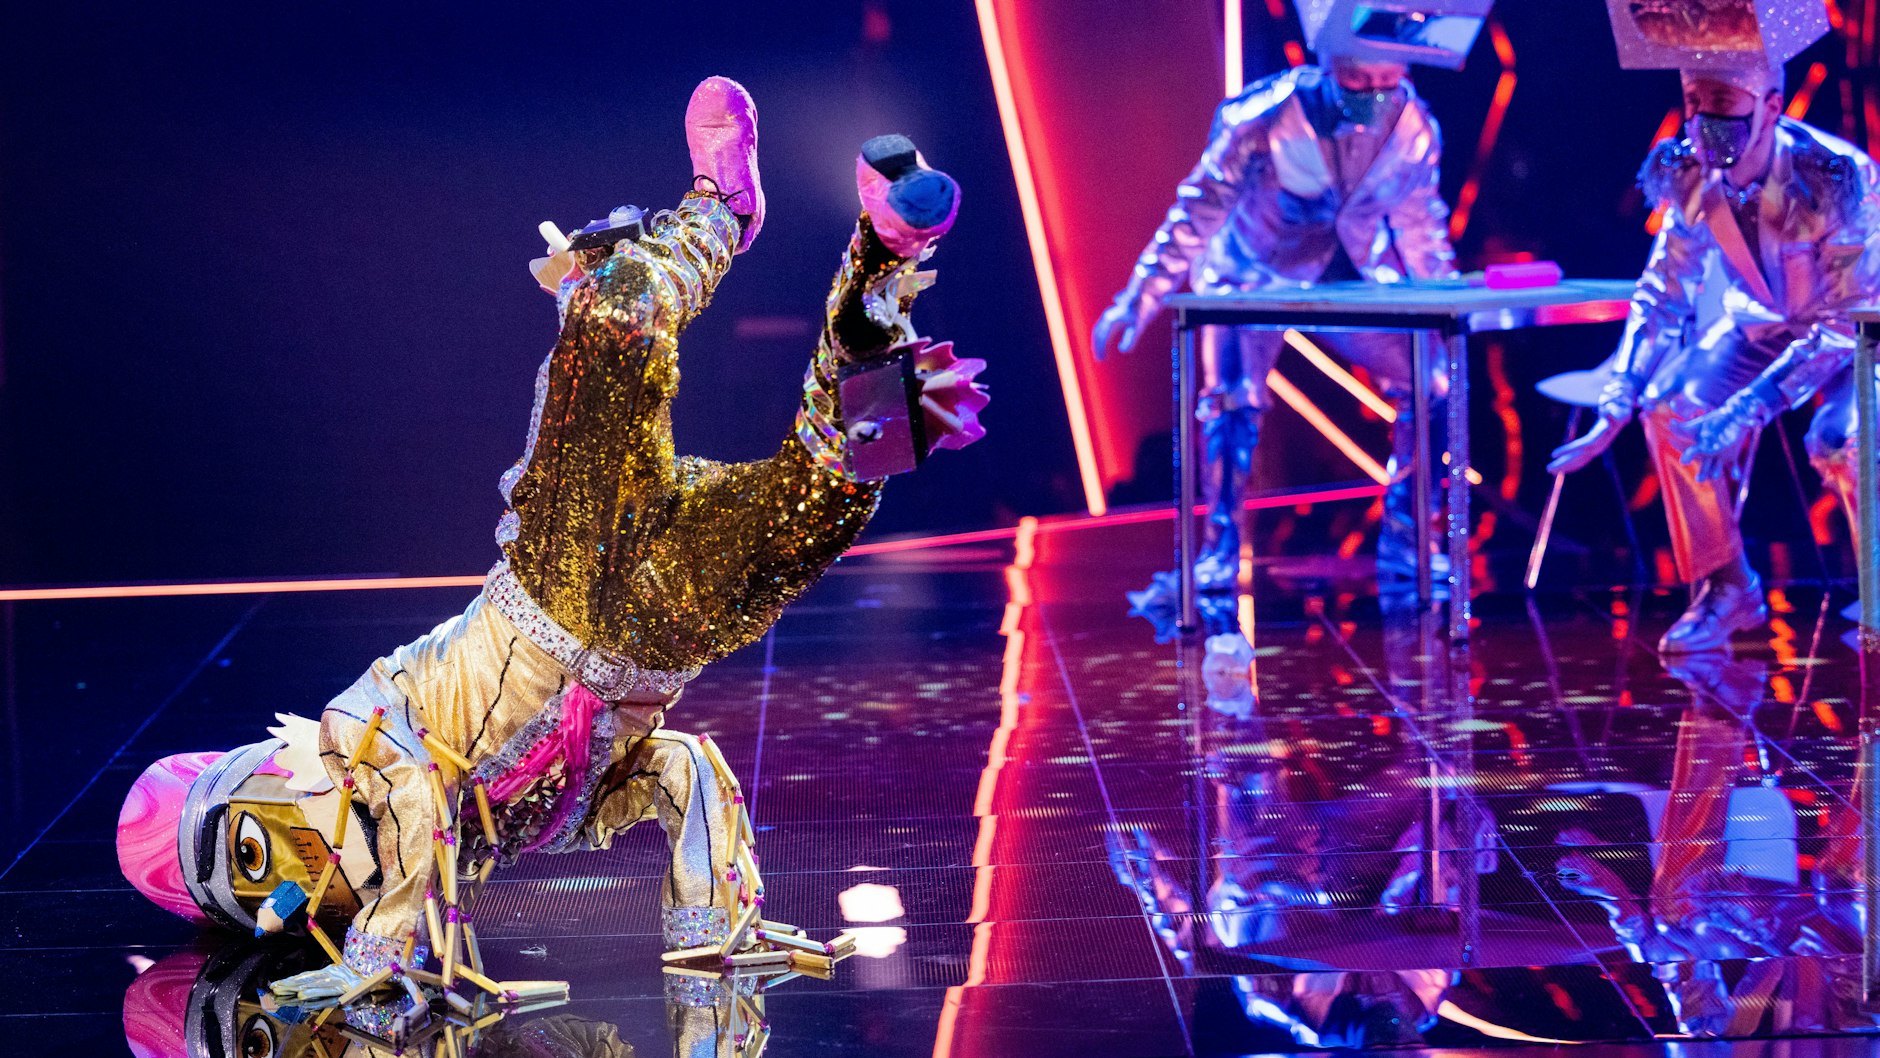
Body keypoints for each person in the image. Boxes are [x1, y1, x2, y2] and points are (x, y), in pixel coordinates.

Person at [114, 77, 986, 998]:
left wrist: (382, 946)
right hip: (654, 634)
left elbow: (413, 789)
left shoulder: (345, 744)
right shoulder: (478, 846)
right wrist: (711, 931)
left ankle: (718, 212)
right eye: (257, 876)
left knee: (614, 324)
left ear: (260, 778)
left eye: (255, 832)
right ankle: (882, 263)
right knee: (823, 495)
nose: (292, 854)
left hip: (560, 574)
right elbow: (674, 769)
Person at [1094, 0, 1494, 593]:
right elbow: (1199, 207)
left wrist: (1440, 299)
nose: (1376, 93)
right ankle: (1219, 550)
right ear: (1330, 66)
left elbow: (1420, 222)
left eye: (1390, 80)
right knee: (1233, 403)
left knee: (1430, 380)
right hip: (1251, 274)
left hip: (1351, 277)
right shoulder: (1261, 115)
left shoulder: (1414, 126)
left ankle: (1408, 539)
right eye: (1360, 80)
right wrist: (1143, 292)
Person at [1549, 0, 1880, 652]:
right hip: (1762, 326)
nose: (1704, 120)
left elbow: (1848, 319)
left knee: (1840, 438)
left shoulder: (1834, 177)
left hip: (1860, 335)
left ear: (1772, 106)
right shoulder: (1691, 174)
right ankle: (1727, 587)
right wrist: (1620, 395)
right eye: (1694, 100)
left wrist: (1754, 405)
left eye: (1723, 100)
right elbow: (1664, 292)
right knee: (1673, 405)